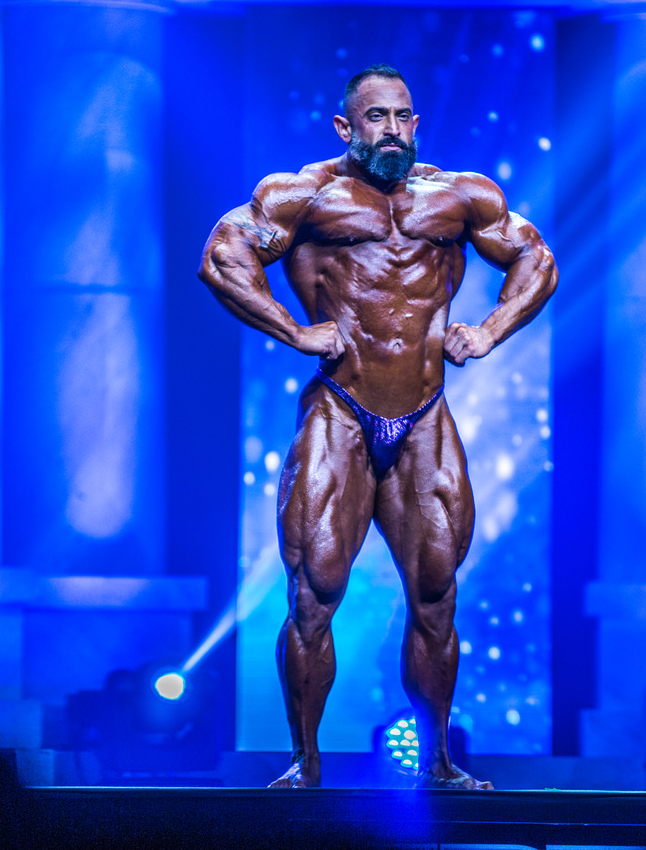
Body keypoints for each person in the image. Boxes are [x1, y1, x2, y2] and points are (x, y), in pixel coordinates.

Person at [199, 64, 557, 789]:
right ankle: (305, 762)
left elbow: (536, 258)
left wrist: (488, 330)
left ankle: (438, 764)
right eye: (375, 118)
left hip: (424, 415)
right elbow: (221, 258)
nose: (390, 130)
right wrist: (292, 331)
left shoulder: (460, 195)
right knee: (314, 592)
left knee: (436, 593)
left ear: (415, 124)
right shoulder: (302, 194)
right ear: (345, 127)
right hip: (341, 410)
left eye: (401, 117)